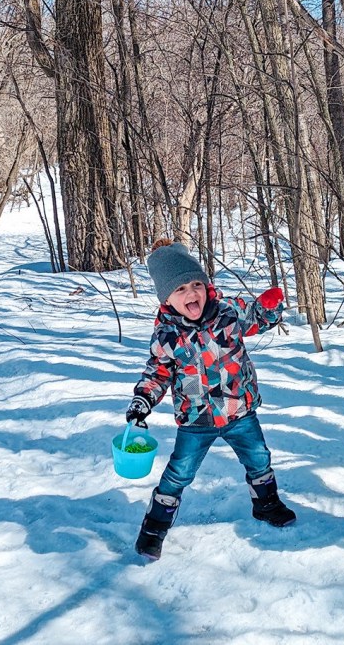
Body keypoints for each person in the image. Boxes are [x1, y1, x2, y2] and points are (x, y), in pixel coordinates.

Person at [126, 238, 295, 560]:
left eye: (195, 284)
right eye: (180, 290)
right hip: (196, 418)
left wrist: (270, 305)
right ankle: (154, 527)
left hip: (239, 410)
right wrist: (143, 400)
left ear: (206, 285)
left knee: (258, 457)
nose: (192, 294)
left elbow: (260, 318)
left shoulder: (228, 312)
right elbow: (157, 372)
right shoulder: (167, 335)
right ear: (167, 299)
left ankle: (267, 504)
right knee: (180, 472)